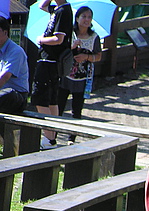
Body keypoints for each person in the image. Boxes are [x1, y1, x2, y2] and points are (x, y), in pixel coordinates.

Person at [31, 0, 73, 149]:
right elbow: (41, 6)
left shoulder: (64, 11)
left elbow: (58, 39)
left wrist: (40, 40)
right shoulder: (56, 9)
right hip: (49, 61)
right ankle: (51, 139)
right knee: (51, 100)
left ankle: (49, 137)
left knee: (39, 97)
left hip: (50, 61)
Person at [57, 6, 101, 145]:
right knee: (59, 105)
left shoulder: (94, 37)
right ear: (77, 18)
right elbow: (60, 49)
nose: (86, 20)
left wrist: (86, 57)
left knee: (77, 108)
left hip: (83, 77)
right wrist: (71, 46)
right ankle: (53, 135)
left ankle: (72, 139)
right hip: (66, 74)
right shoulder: (70, 33)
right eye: (84, 16)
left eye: (89, 17)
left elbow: (98, 56)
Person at [0, 16, 28, 114]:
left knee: (8, 94)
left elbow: (4, 77)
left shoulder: (16, 51)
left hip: (17, 96)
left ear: (5, 32)